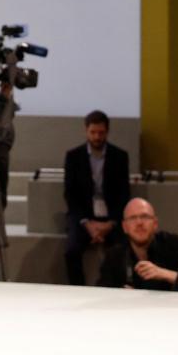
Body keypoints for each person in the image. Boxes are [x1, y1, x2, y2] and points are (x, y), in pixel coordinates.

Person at [62, 111, 130, 286]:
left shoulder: (120, 157)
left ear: (107, 132)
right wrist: (87, 223)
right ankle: (78, 290)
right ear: (86, 131)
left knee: (122, 248)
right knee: (71, 251)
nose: (97, 137)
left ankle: (114, 288)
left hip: (112, 217)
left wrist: (110, 223)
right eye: (93, 133)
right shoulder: (73, 157)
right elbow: (70, 194)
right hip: (83, 217)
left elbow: (124, 194)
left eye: (101, 133)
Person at [97, 198, 178, 293]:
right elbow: (100, 294)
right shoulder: (115, 255)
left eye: (144, 217)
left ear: (155, 224)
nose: (139, 223)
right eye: (133, 218)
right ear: (124, 227)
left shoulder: (173, 245)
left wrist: (164, 274)